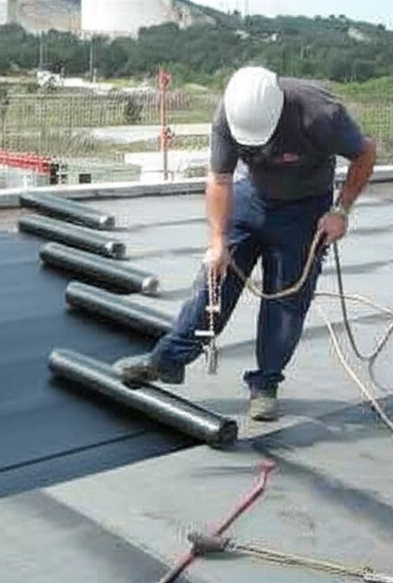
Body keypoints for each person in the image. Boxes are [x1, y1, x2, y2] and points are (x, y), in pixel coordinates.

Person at [113, 65, 377, 422]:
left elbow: (365, 153)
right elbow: (220, 179)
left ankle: (265, 383)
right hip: (251, 197)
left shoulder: (320, 113)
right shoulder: (229, 114)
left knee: (286, 300)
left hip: (304, 209)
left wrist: (341, 211)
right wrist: (219, 242)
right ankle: (168, 360)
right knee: (214, 280)